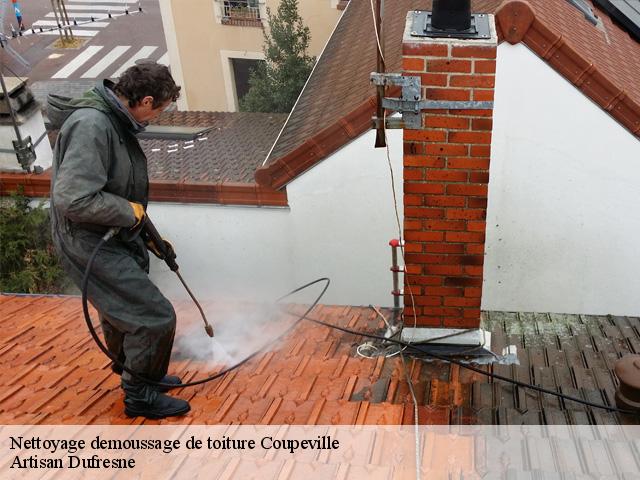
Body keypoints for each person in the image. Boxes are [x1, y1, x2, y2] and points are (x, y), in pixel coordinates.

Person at [48, 64, 190, 419]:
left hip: (103, 233)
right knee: (152, 315)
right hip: (86, 240)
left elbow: (117, 190)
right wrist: (129, 213)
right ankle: (140, 396)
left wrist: (147, 233)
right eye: (159, 110)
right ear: (146, 100)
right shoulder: (92, 125)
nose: (156, 118)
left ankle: (144, 375)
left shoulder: (114, 119)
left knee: (121, 311)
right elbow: (74, 199)